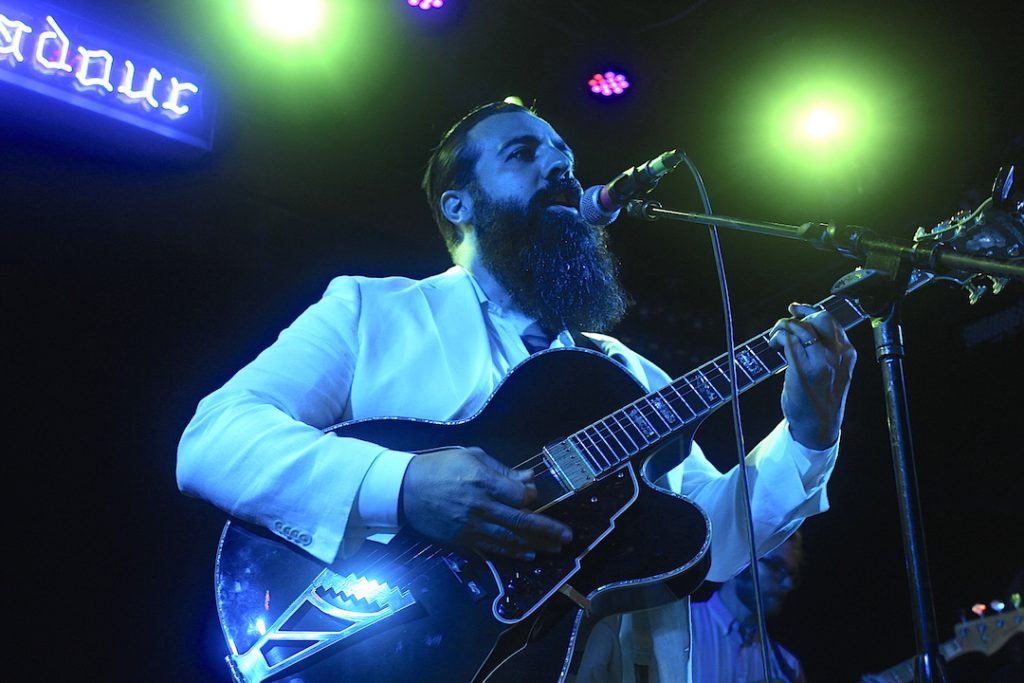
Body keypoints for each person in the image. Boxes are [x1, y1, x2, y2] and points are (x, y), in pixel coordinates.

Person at [176, 100, 857, 682]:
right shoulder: (370, 312)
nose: (560, 166)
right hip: (381, 644)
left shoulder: (630, 374)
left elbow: (715, 539)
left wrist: (808, 435)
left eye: (564, 154)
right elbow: (215, 438)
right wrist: (404, 485)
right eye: (523, 153)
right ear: (459, 204)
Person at [689, 533, 807, 683]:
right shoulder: (682, 628)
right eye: (776, 567)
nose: (787, 584)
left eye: (791, 574)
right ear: (740, 560)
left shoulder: (788, 667)